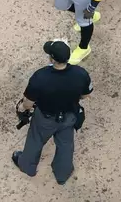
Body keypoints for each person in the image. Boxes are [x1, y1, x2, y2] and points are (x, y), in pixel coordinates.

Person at [12, 40, 93, 185]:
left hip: (45, 118)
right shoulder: (81, 74)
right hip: (69, 116)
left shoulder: (40, 77)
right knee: (66, 145)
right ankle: (62, 174)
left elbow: (28, 104)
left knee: (35, 140)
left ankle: (27, 166)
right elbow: (86, 96)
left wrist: (23, 109)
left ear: (52, 58)